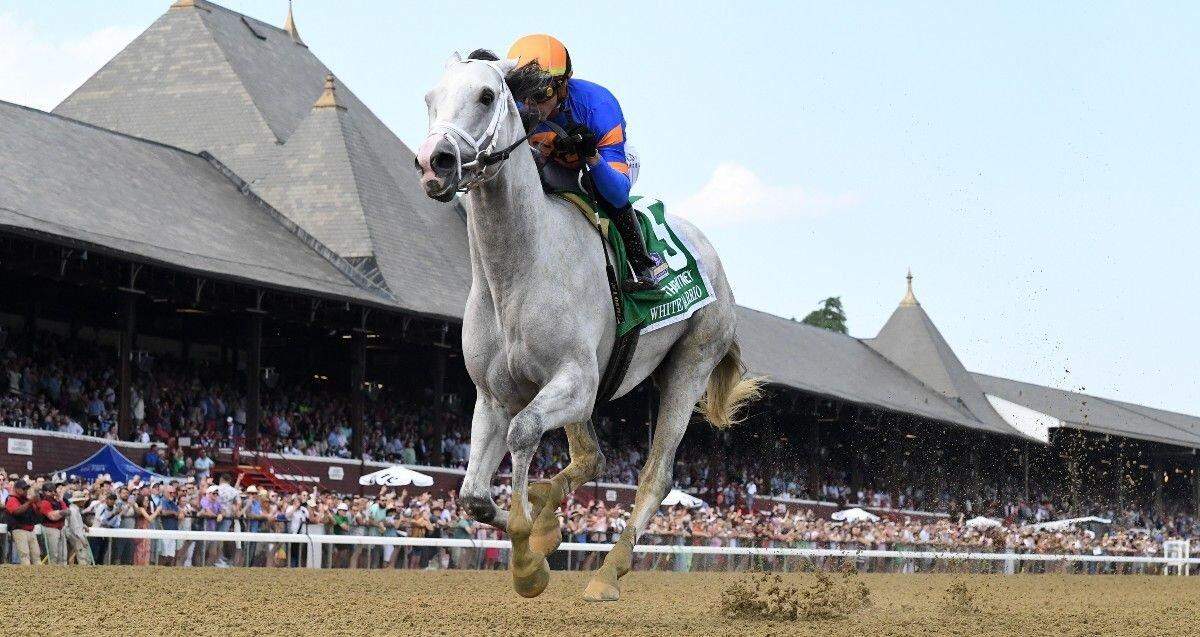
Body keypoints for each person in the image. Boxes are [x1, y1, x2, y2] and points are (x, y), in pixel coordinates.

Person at [504, 34, 658, 291]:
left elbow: (619, 193)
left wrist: (591, 155)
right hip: (556, 164)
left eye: (541, 93)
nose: (529, 104)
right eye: (522, 91)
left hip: (606, 163)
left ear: (563, 85)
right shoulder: (518, 106)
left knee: (592, 184)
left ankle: (641, 265)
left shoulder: (599, 106)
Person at [4, 479, 42, 565]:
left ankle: (40, 577)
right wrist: (30, 502)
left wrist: (37, 501)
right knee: (24, 556)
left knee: (36, 555)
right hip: (19, 530)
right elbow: (16, 511)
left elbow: (38, 513)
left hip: (31, 530)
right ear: (16, 489)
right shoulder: (11, 499)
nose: (25, 490)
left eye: (26, 489)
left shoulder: (27, 499)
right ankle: (26, 577)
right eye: (23, 488)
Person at [36, 483, 70, 565]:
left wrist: (61, 500)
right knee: (53, 555)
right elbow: (52, 516)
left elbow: (66, 510)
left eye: (54, 491)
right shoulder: (43, 502)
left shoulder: (57, 501)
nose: (53, 493)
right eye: (51, 491)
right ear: (45, 492)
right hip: (50, 529)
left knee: (63, 555)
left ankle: (63, 574)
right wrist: (62, 512)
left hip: (60, 528)